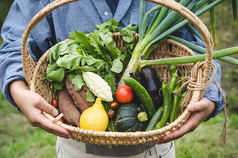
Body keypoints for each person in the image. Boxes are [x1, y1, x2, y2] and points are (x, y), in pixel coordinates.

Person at [0, 0, 225, 157]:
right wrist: (19, 91)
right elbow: (14, 45)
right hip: (77, 145)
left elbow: (197, 52)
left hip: (156, 147)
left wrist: (209, 96)